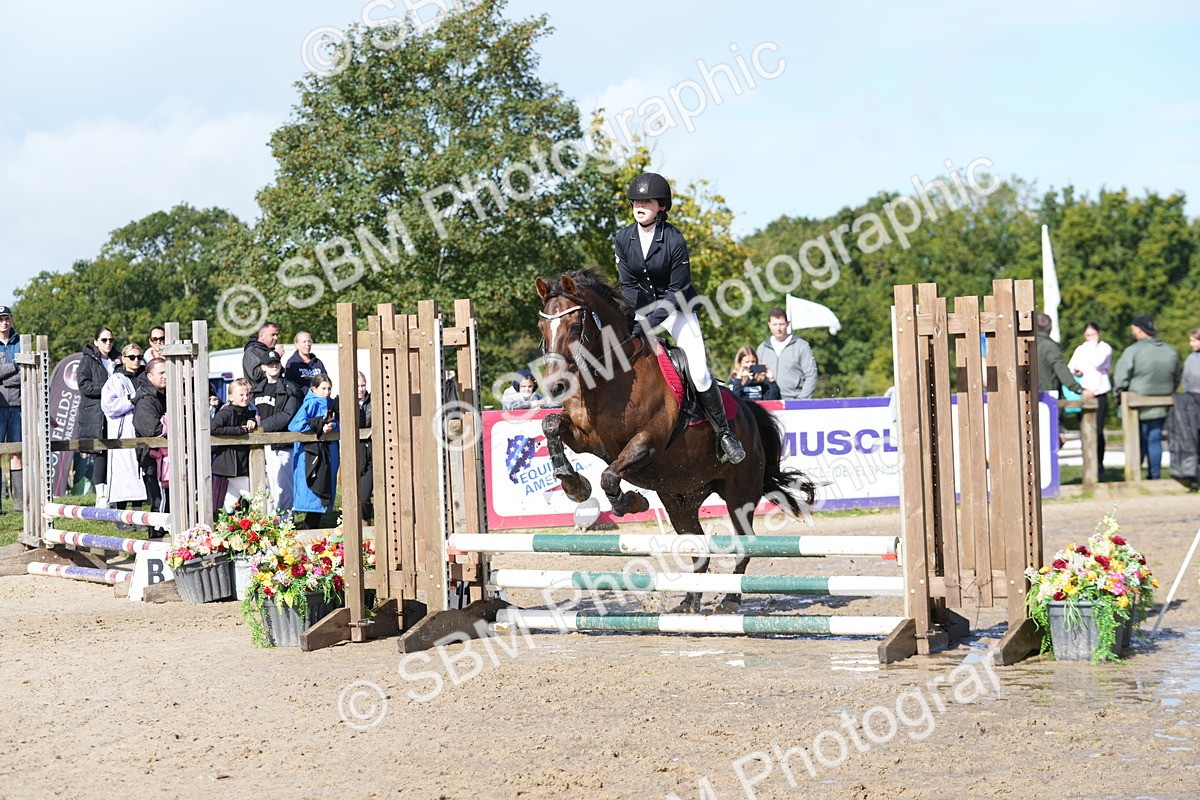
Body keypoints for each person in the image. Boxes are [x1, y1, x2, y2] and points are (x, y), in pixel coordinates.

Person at [614, 171, 744, 463]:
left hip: (677, 311)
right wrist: (635, 317)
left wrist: (650, 320)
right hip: (642, 309)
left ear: (662, 206)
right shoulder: (623, 238)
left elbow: (677, 290)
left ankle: (724, 433)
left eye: (647, 200)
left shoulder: (673, 239)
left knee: (697, 371)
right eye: (636, 200)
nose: (640, 205)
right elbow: (627, 285)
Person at [1112, 314, 1181, 480]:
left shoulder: (1133, 351)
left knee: (1138, 440)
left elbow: (1121, 377)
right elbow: (1177, 376)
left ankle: (1134, 477)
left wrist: (1118, 395)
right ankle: (1155, 476)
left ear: (1139, 329)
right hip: (1162, 404)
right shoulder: (1170, 351)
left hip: (1136, 406)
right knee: (1154, 439)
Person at [100, 344, 148, 524]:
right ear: (124, 358)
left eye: (139, 357)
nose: (136, 360)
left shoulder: (145, 378)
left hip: (143, 429)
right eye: (132, 357)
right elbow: (109, 406)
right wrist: (131, 400)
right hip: (123, 431)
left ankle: (137, 515)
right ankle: (120, 517)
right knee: (122, 475)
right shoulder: (115, 380)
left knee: (140, 473)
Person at [253, 350, 302, 513]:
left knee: (283, 487)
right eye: (270, 364)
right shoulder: (256, 390)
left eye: (276, 363)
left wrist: (260, 427)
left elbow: (287, 415)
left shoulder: (290, 388)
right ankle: (267, 522)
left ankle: (285, 523)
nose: (273, 366)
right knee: (264, 486)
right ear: (263, 367)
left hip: (281, 445)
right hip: (260, 446)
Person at [288, 374, 340, 528]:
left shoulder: (332, 403)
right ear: (314, 389)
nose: (327, 392)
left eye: (329, 388)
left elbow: (340, 422)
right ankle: (309, 524)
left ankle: (313, 523)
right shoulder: (309, 404)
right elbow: (295, 425)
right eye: (323, 388)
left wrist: (333, 427)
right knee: (313, 483)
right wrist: (318, 426)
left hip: (329, 450)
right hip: (311, 451)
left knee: (326, 481)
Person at [78, 326, 116, 507]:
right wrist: (108, 389)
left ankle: (114, 493)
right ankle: (100, 495)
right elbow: (84, 386)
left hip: (116, 412)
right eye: (104, 340)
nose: (108, 343)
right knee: (101, 452)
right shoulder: (88, 360)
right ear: (95, 342)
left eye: (111, 340)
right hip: (96, 413)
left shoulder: (117, 360)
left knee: (116, 452)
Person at [1067, 322, 1113, 471]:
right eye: (1087, 335)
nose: (1090, 338)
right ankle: (1088, 462)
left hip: (1099, 393)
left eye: (1093, 334)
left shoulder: (1104, 348)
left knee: (1098, 430)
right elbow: (1071, 367)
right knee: (1085, 430)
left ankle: (1099, 463)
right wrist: (1076, 371)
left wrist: (1092, 345)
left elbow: (1097, 362)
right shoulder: (1080, 349)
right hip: (1084, 394)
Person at [133, 357, 169, 538]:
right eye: (161, 373)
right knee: (158, 500)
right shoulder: (145, 399)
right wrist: (170, 421)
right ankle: (155, 537)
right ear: (149, 376)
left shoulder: (165, 394)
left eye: (167, 372)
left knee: (167, 500)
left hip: (167, 458)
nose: (166, 376)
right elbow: (152, 429)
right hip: (152, 458)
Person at [210, 378, 258, 512]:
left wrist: (253, 420)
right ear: (230, 396)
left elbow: (253, 422)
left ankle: (223, 525)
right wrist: (238, 430)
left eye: (247, 394)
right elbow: (212, 428)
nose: (245, 398)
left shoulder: (248, 411)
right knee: (254, 496)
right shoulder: (226, 412)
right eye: (241, 395)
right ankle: (268, 525)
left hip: (242, 462)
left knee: (231, 500)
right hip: (231, 463)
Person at [755, 308, 817, 400]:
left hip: (794, 400)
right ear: (769, 325)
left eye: (781, 324)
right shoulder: (762, 348)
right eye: (775, 324)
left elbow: (811, 375)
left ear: (788, 324)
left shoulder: (801, 346)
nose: (778, 328)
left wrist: (802, 400)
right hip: (769, 401)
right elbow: (757, 376)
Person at [0, 305, 22, 513]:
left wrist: (5, 378)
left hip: (18, 406)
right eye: (0, 319)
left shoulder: (21, 342)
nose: (4, 322)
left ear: (11, 320)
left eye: (7, 318)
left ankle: (19, 504)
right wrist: (15, 366)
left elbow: (28, 372)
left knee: (17, 453)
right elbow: (20, 369)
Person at [356, 371, 374, 523]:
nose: (361, 389)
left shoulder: (373, 401)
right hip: (355, 453)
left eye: (363, 385)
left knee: (364, 495)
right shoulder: (343, 402)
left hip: (371, 453)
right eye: (357, 386)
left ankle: (366, 519)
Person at [242, 320, 282, 385]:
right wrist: (274, 357)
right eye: (273, 335)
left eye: (277, 335)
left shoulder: (269, 351)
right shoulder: (252, 351)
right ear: (262, 335)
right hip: (258, 393)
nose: (276, 338)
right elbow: (255, 375)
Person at [1182, 327, 1200, 394]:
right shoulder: (1191, 358)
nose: (1191, 344)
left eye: (1194, 341)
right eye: (1191, 341)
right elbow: (1185, 379)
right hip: (1193, 397)